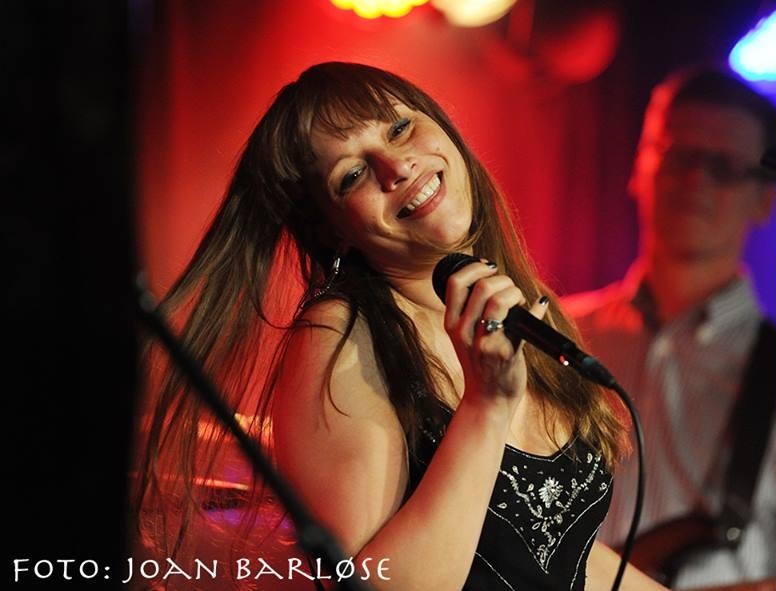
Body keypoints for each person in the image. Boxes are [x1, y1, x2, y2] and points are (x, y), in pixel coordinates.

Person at [133, 61, 668, 591]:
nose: (397, 167)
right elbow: (381, 587)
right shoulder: (339, 338)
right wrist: (486, 405)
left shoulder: (508, 303)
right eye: (353, 175)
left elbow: (555, 553)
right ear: (333, 229)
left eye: (399, 128)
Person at [561, 65, 776, 589]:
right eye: (678, 155)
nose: (695, 180)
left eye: (722, 167)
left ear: (765, 200)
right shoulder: (554, 334)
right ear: (639, 166)